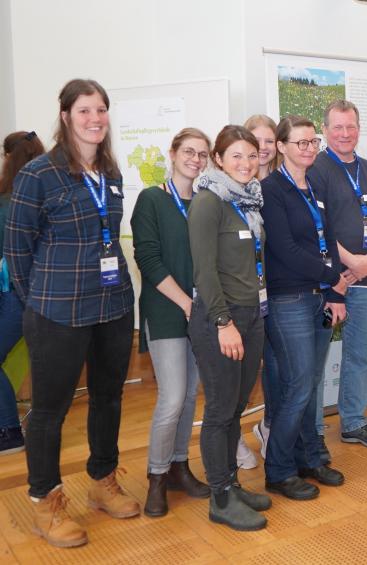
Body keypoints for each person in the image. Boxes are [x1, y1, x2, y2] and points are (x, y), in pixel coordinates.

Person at [4, 79, 139, 548]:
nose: (95, 118)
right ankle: (46, 499)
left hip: (114, 306)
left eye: (101, 109)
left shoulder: (112, 173)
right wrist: (37, 299)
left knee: (109, 397)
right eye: (84, 110)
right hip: (57, 312)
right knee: (49, 410)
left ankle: (102, 480)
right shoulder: (38, 175)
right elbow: (16, 249)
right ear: (65, 116)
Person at [187, 125, 271, 531]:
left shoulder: (249, 201)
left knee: (236, 407)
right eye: (236, 155)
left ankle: (232, 485)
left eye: (252, 155)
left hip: (252, 314)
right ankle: (219, 496)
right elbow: (204, 272)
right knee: (220, 410)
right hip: (221, 318)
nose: (246, 163)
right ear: (218, 159)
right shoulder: (208, 202)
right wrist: (223, 323)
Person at [260, 115, 347, 502]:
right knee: (297, 387)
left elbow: (328, 238)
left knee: (308, 385)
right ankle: (278, 470)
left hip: (319, 294)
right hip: (288, 298)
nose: (309, 149)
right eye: (300, 143)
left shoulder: (313, 186)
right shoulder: (271, 189)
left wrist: (335, 291)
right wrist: (334, 276)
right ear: (281, 146)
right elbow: (285, 249)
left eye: (313, 142)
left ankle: (309, 458)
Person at [131, 128, 212, 517]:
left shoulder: (204, 202)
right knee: (173, 396)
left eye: (202, 154)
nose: (195, 160)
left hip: (199, 313)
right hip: (167, 311)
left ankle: (180, 465)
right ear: (173, 153)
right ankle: (157, 476)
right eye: (189, 152)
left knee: (190, 395)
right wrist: (184, 303)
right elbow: (147, 259)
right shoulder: (152, 199)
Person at [307, 100, 367, 449]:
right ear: (325, 131)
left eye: (351, 126)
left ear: (359, 128)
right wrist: (350, 263)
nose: (345, 133)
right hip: (330, 280)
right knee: (317, 358)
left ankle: (354, 421)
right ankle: (312, 429)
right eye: (338, 127)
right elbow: (319, 225)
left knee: (360, 353)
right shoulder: (315, 168)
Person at [1, 131, 44, 456]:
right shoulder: (45, 194)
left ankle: (9, 431)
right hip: (47, 296)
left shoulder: (6, 202)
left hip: (16, 295)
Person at [241, 114, 277, 468]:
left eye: (268, 142)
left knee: (274, 365)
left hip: (277, 290)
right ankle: (232, 435)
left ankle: (267, 425)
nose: (262, 149)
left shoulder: (282, 184)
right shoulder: (234, 189)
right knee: (244, 369)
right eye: (256, 143)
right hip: (243, 292)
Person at [245, 114, 278, 181]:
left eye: (269, 141)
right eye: (256, 141)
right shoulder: (234, 184)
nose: (263, 147)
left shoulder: (285, 180)